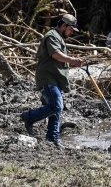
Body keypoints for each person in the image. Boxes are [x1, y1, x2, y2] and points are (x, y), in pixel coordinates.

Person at [21, 14, 83, 148]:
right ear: (63, 25)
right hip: (47, 78)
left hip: (55, 79)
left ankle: (52, 139)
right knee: (56, 106)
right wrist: (72, 60)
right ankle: (29, 117)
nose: (71, 32)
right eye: (71, 29)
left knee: (56, 109)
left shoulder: (59, 37)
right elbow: (55, 54)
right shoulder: (52, 36)